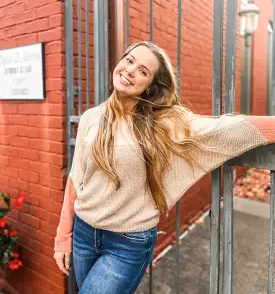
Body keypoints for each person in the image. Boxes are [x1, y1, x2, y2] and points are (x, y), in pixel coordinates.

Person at [54, 41, 275, 294]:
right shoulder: (91, 118)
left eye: (143, 71)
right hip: (84, 233)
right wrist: (63, 237)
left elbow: (226, 130)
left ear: (150, 87)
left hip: (127, 243)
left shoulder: (163, 123)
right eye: (129, 60)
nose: (130, 70)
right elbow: (76, 179)